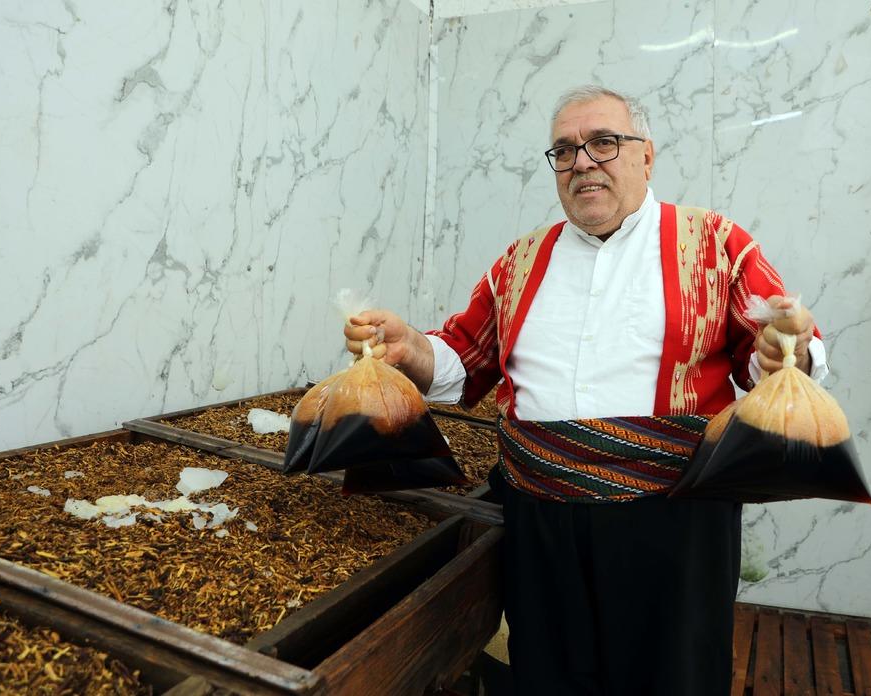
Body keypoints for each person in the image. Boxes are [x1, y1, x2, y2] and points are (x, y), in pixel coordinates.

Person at [343, 85, 827, 696]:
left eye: (603, 143)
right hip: (539, 520)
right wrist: (408, 344)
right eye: (565, 150)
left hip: (674, 522)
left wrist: (788, 351)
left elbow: (783, 361)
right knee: (549, 677)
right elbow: (463, 362)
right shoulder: (518, 263)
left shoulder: (715, 245)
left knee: (673, 677)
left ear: (646, 156)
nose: (582, 162)